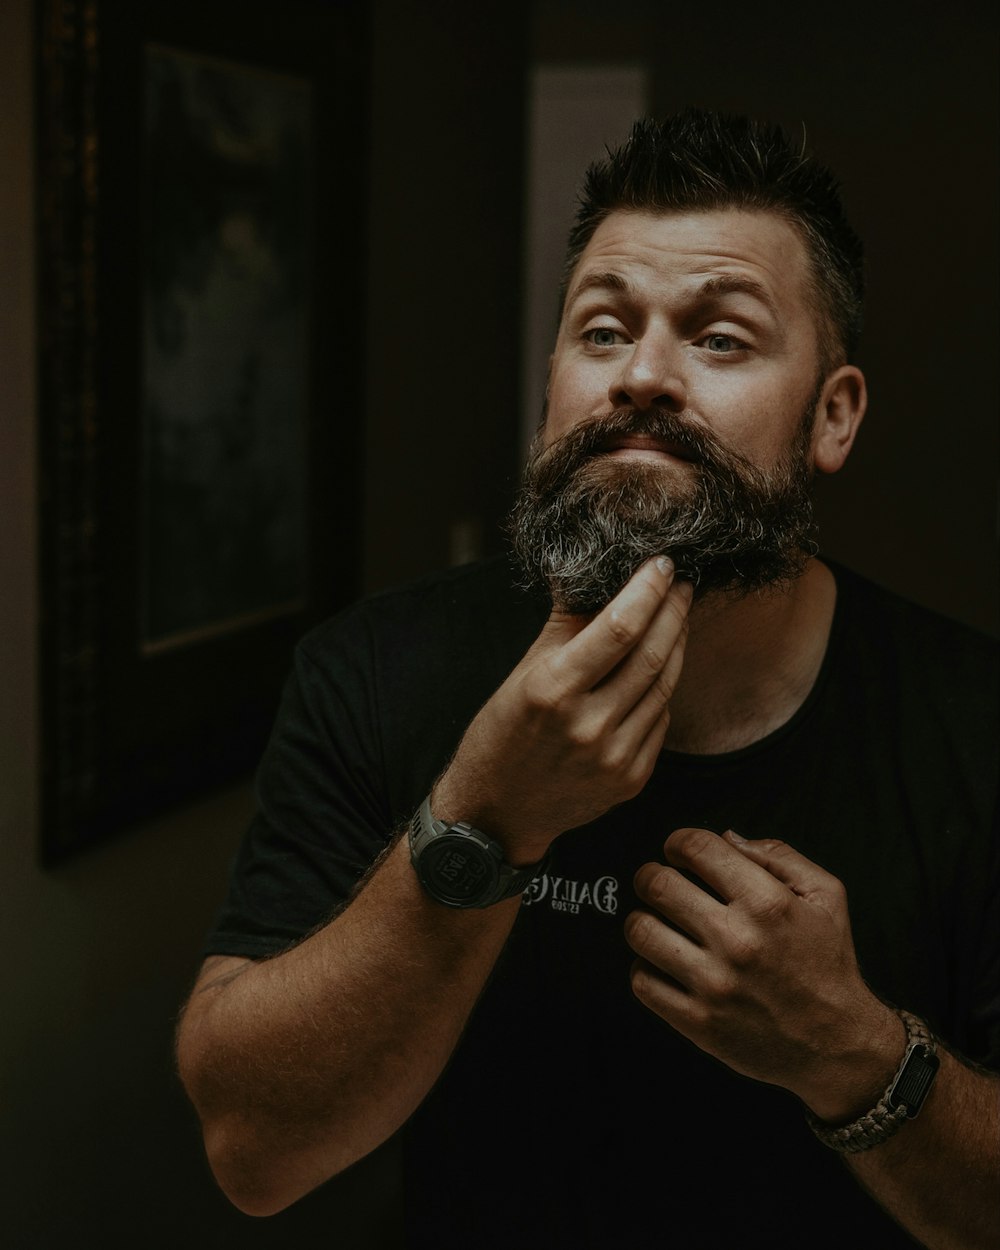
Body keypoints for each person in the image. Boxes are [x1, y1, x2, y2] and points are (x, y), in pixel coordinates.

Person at [176, 111, 999, 1249]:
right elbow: (253, 1148)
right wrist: (483, 814)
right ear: (553, 387)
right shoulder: (374, 670)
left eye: (719, 338)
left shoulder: (971, 726)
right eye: (602, 330)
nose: (643, 376)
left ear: (833, 415)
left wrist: (852, 1055)